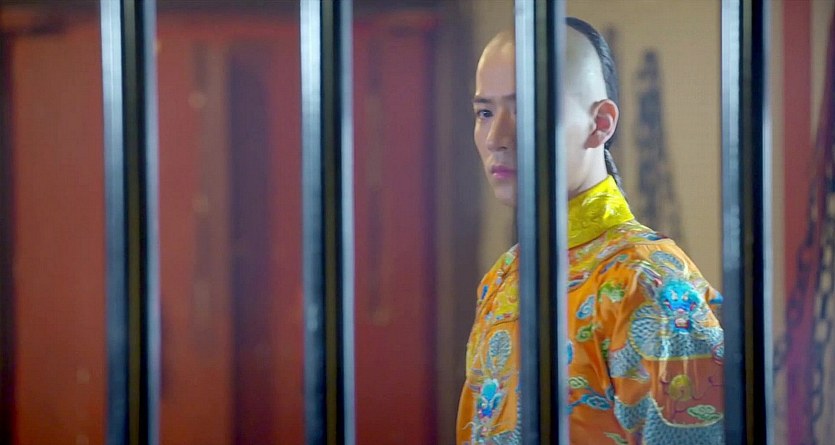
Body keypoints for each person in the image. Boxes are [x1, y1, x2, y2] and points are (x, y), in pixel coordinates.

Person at [456, 18, 725, 444]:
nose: (496, 138)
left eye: (526, 109)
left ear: (600, 122)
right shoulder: (502, 277)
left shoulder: (645, 280)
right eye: (485, 113)